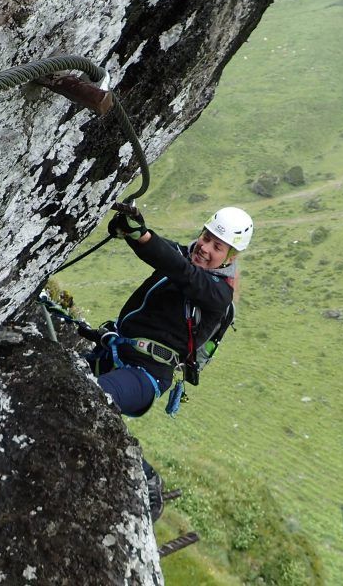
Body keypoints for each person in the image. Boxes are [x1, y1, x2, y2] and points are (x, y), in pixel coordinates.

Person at [81, 204, 253, 519]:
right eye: (206, 236)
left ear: (230, 257)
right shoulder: (183, 258)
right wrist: (131, 230)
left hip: (147, 374)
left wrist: (143, 235)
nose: (205, 247)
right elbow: (161, 253)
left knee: (90, 400)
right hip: (117, 353)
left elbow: (180, 271)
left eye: (217, 246)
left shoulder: (217, 294)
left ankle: (145, 477)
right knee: (66, 384)